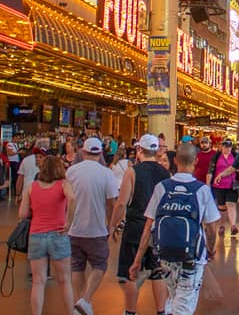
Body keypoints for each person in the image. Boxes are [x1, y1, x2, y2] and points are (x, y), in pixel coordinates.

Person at [129, 143, 219, 315]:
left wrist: (138, 259)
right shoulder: (202, 190)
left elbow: (149, 225)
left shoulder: (162, 187)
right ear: (196, 161)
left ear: (175, 160)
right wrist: (211, 249)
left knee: (175, 295)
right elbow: (211, 228)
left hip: (165, 255)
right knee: (183, 304)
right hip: (192, 256)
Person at [110, 134, 170, 315]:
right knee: (157, 271)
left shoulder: (132, 172)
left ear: (139, 150)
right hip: (157, 228)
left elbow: (121, 203)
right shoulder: (165, 173)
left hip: (135, 227)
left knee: (132, 272)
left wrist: (113, 225)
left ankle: (130, 311)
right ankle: (161, 310)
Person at [65, 137, 119, 315]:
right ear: (101, 153)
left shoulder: (71, 172)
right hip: (97, 229)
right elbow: (112, 203)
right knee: (100, 265)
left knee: (77, 266)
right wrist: (112, 226)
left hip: (74, 229)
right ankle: (85, 299)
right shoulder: (106, 174)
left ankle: (79, 303)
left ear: (83, 152)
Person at [19, 154, 76, 315]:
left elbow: (22, 214)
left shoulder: (32, 186)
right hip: (58, 233)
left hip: (36, 234)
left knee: (38, 281)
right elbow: (72, 199)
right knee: (64, 280)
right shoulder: (63, 184)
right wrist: (68, 221)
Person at [207, 139, 239, 237]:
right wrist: (208, 184)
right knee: (222, 207)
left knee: (231, 204)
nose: (227, 148)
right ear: (222, 146)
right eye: (225, 146)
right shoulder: (216, 156)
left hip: (232, 184)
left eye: (229, 146)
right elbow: (210, 170)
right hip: (219, 185)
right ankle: (222, 225)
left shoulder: (235, 156)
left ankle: (233, 225)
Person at [17, 137, 50, 203]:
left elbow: (20, 179)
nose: (37, 159)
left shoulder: (26, 160)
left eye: (40, 157)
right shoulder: (51, 162)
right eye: (37, 157)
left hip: (27, 194)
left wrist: (18, 194)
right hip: (40, 198)